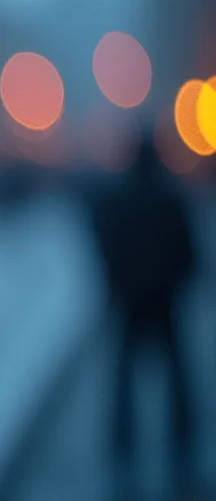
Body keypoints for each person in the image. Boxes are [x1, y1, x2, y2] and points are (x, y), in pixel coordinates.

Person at [88, 135, 196, 495]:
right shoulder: (170, 198)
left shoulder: (120, 200)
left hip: (132, 302)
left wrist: (119, 283)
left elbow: (107, 248)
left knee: (123, 382)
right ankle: (181, 447)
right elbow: (188, 251)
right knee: (177, 378)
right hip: (163, 302)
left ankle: (123, 451)